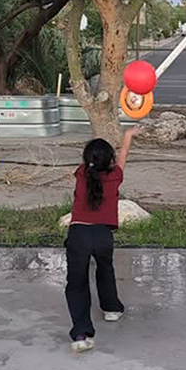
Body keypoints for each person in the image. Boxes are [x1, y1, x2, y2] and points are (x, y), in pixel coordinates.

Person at [65, 128, 141, 352]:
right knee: (105, 269)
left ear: (86, 161)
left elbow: (90, 166)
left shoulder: (80, 173)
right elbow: (123, 154)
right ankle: (111, 309)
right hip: (102, 235)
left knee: (76, 284)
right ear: (110, 160)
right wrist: (129, 135)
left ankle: (80, 333)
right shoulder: (115, 175)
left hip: (78, 234)